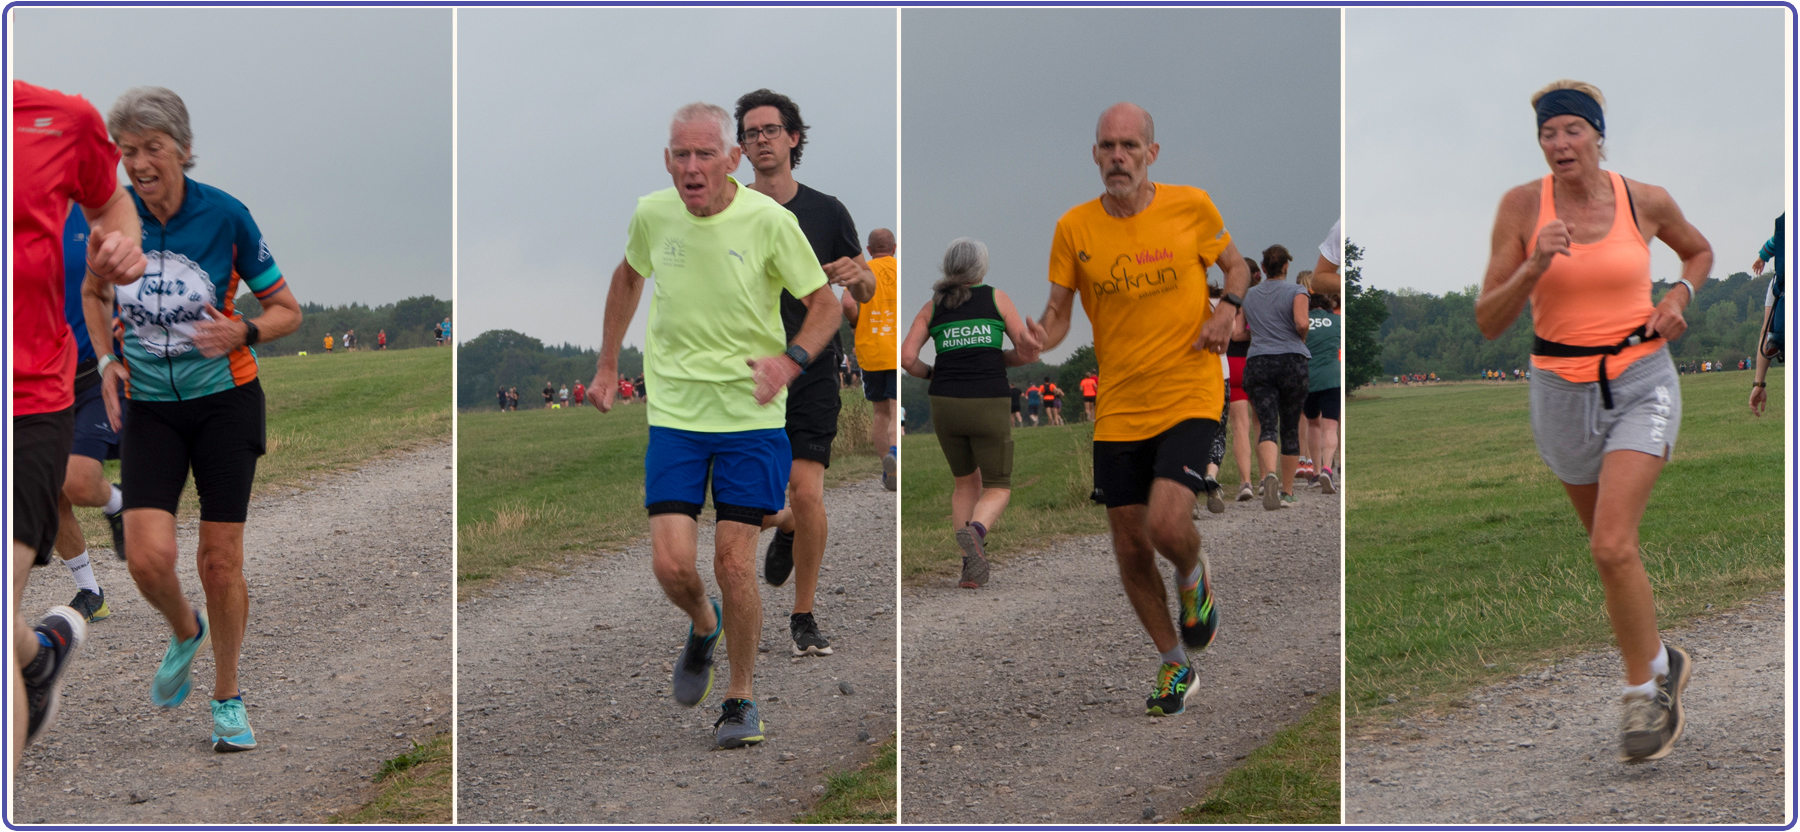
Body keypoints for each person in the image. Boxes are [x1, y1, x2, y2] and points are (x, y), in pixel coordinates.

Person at [588, 101, 839, 748]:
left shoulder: (769, 221)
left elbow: (823, 305)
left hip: (750, 415)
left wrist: (791, 361)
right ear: (667, 160)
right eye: (680, 155)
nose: (692, 167)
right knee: (672, 565)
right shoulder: (652, 213)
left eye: (705, 155)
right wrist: (608, 362)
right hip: (674, 413)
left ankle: (740, 697)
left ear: (732, 160)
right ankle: (703, 624)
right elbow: (627, 276)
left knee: (733, 561)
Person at [1475, 80, 1711, 763]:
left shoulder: (1645, 200)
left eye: (1572, 131)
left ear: (1598, 136)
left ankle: (1646, 695)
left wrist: (1679, 292)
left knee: (1611, 545)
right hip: (1559, 390)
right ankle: (1661, 657)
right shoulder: (1522, 208)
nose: (1559, 145)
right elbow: (1490, 319)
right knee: (1613, 558)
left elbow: (1696, 250)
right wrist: (1535, 264)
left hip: (1642, 378)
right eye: (1549, 135)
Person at [86, 86, 303, 753]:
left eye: (152, 148)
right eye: (128, 152)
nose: (139, 163)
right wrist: (104, 363)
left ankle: (227, 697)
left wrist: (242, 331)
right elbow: (94, 293)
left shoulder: (226, 217)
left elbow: (288, 309)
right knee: (149, 561)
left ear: (181, 148)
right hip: (150, 407)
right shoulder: (112, 221)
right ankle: (185, 630)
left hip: (224, 405)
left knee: (219, 562)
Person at [1037, 103, 1247, 717]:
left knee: (1164, 525)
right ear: (1094, 155)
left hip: (1188, 389)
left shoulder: (1192, 206)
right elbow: (1057, 317)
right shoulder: (1074, 228)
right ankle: (1174, 665)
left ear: (1152, 153)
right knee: (1129, 545)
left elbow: (1235, 264)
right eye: (1107, 146)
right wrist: (1032, 341)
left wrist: (1226, 310)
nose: (1118, 157)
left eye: (1130, 145)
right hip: (1120, 404)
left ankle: (1192, 570)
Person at [12, 80, 147, 761]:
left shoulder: (57, 128)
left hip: (48, 387)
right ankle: (53, 638)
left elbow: (117, 217)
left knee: (76, 479)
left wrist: (121, 251)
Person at [734, 89, 876, 659]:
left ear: (794, 138)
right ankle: (785, 525)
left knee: (808, 489)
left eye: (771, 130)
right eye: (751, 133)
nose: (761, 140)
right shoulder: (729, 210)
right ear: (741, 147)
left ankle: (804, 615)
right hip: (747, 372)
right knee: (759, 505)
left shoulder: (826, 210)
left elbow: (865, 289)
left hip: (811, 367)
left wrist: (855, 275)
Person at [902, 238, 1042, 587]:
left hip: (944, 402)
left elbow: (906, 359)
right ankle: (977, 531)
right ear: (981, 268)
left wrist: (933, 372)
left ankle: (969, 568)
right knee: (998, 485)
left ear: (948, 267)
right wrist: (1004, 357)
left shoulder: (932, 306)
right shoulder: (996, 298)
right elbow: (1025, 351)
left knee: (964, 483)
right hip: (988, 399)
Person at [55, 207, 130, 624]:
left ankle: (119, 500)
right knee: (46, 496)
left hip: (93, 373)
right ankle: (90, 592)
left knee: (79, 482)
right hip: (35, 383)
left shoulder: (95, 212)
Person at [1242, 244, 1311, 509]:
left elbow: (1242, 331)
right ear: (1285, 267)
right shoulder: (1297, 291)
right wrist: (1300, 340)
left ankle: (1268, 474)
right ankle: (1287, 491)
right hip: (1291, 361)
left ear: (1262, 268)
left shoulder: (1249, 296)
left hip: (1259, 361)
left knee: (1267, 424)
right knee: (1290, 426)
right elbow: (1302, 323)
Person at [846, 228, 900, 491]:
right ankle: (896, 455)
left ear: (868, 250)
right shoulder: (901, 269)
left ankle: (888, 473)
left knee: (879, 414)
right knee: (894, 411)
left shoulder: (862, 271)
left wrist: (856, 325)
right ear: (895, 247)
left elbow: (847, 304)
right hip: (894, 348)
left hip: (871, 349)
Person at [1227, 261, 1264, 501]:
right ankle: (1265, 478)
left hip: (1235, 362)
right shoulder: (1260, 299)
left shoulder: (1231, 299)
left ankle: (1245, 481)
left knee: (1240, 427)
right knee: (1262, 424)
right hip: (1258, 361)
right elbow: (1239, 333)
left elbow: (1232, 334)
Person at [1305, 282, 1341, 494]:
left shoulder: (1302, 320)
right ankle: (1328, 468)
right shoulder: (1337, 321)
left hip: (1308, 378)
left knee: (1312, 424)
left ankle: (1316, 471)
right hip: (1331, 377)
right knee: (1330, 426)